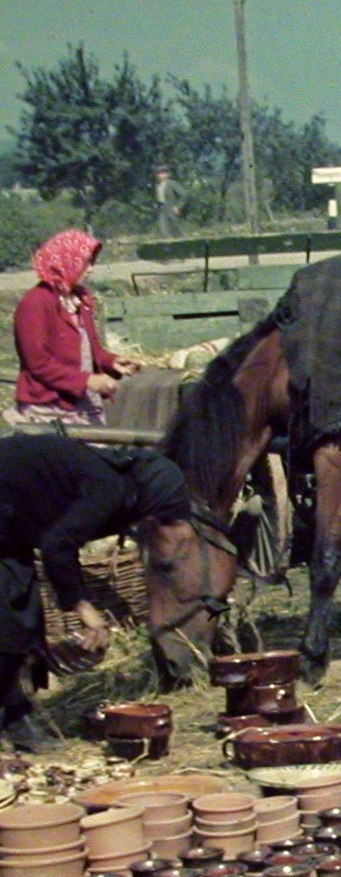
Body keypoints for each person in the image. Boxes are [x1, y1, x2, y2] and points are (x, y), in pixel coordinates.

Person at [0, 435, 192, 752]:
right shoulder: (109, 488)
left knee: (22, 617)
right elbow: (56, 547)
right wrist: (89, 615)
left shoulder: (114, 479)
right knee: (9, 621)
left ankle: (16, 717)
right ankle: (15, 720)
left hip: (10, 526)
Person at [9, 230, 138, 428]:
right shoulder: (35, 303)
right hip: (50, 406)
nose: (91, 269)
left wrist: (111, 362)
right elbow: (38, 364)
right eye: (87, 262)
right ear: (65, 262)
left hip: (83, 401)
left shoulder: (79, 300)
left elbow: (88, 350)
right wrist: (88, 381)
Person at [154, 166, 183, 237]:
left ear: (167, 175)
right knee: (162, 226)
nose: (160, 176)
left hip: (171, 206)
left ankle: (180, 239)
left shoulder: (172, 184)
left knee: (174, 225)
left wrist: (178, 206)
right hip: (162, 207)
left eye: (162, 174)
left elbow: (183, 195)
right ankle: (166, 241)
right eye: (159, 174)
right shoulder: (157, 185)